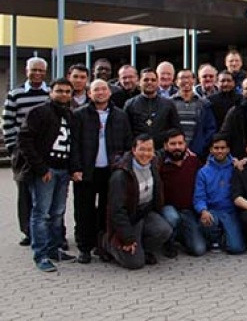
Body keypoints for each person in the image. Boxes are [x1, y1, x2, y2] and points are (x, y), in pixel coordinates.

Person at [17, 78, 76, 272]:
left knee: (57, 213)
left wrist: (72, 169)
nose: (63, 94)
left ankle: (54, 249)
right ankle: (40, 255)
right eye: (59, 91)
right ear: (51, 92)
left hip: (63, 171)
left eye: (67, 91)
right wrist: (41, 168)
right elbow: (24, 141)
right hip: (45, 172)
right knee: (41, 213)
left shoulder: (69, 114)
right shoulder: (38, 112)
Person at [70, 79, 132, 264]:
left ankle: (102, 245)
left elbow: (128, 144)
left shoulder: (120, 115)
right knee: (84, 211)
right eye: (96, 90)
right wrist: (75, 168)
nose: (100, 92)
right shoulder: (79, 115)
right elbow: (74, 145)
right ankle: (84, 248)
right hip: (86, 171)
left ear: (109, 92)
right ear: (89, 94)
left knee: (106, 210)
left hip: (111, 172)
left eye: (104, 89)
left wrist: (122, 168)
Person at [102, 134, 173, 269]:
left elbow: (166, 151)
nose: (145, 154)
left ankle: (141, 249)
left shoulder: (154, 162)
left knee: (164, 230)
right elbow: (117, 211)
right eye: (142, 149)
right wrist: (127, 238)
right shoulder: (121, 175)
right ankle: (107, 243)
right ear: (134, 150)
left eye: (149, 150)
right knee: (135, 264)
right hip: (128, 218)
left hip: (144, 213)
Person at [3, 56, 50, 246]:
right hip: (22, 154)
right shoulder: (15, 95)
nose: (37, 73)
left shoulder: (50, 94)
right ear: (27, 71)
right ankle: (29, 232)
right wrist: (13, 148)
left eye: (41, 70)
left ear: (45, 72)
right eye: (34, 70)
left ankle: (47, 232)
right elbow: (8, 123)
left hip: (46, 154)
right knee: (25, 195)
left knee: (46, 195)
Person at [158, 129, 207, 257]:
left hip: (188, 210)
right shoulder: (159, 164)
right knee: (173, 218)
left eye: (180, 143)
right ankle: (168, 242)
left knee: (199, 249)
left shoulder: (194, 161)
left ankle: (181, 236)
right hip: (167, 208)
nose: (177, 147)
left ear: (185, 144)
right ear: (165, 146)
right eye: (173, 144)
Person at [194, 134, 245, 254]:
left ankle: (225, 236)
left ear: (228, 149)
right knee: (206, 221)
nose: (220, 151)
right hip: (212, 211)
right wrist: (203, 210)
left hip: (230, 212)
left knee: (236, 248)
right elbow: (199, 197)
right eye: (216, 148)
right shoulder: (203, 172)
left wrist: (241, 170)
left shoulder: (235, 167)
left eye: (223, 148)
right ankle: (213, 238)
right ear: (211, 150)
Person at [124, 68, 180, 148]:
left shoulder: (168, 104)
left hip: (162, 151)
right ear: (139, 82)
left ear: (158, 82)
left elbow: (176, 129)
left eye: (153, 80)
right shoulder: (130, 104)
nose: (150, 82)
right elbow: (125, 131)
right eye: (146, 80)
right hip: (139, 151)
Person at [171, 69, 217, 158]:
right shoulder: (169, 103)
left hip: (197, 154)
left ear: (194, 81)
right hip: (174, 152)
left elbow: (210, 129)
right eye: (182, 78)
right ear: (176, 82)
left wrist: (199, 147)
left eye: (189, 77)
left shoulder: (204, 104)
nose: (186, 81)